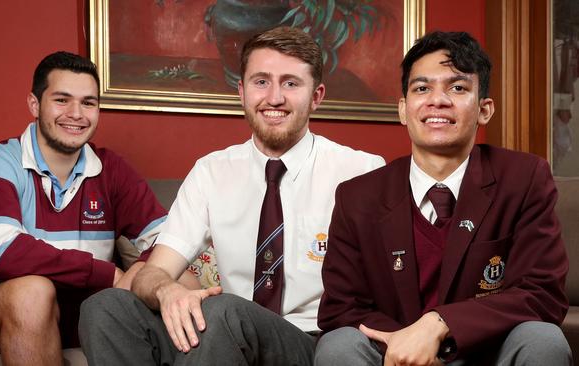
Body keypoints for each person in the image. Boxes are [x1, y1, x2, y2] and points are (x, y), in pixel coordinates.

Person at [78, 26, 385, 365]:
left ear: (317, 95)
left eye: (291, 83)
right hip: (225, 333)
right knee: (105, 307)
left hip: (310, 340)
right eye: (261, 81)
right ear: (241, 92)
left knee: (221, 312)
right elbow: (155, 270)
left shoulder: (361, 170)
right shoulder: (211, 171)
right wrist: (169, 291)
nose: (274, 98)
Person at [315, 31, 572, 365]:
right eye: (422, 88)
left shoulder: (524, 178)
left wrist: (440, 325)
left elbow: (541, 294)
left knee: (543, 340)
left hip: (486, 353)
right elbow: (341, 308)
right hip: (393, 356)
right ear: (404, 110)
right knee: (338, 345)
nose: (438, 100)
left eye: (458, 88)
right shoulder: (358, 196)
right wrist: (406, 342)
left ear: (484, 110)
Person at [0, 51, 197, 365]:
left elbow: (171, 238)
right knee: (32, 293)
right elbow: (6, 254)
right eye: (62, 100)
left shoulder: (111, 169)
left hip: (82, 314)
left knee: (182, 279)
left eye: (88, 102)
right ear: (35, 105)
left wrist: (141, 270)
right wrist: (106, 273)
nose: (76, 114)